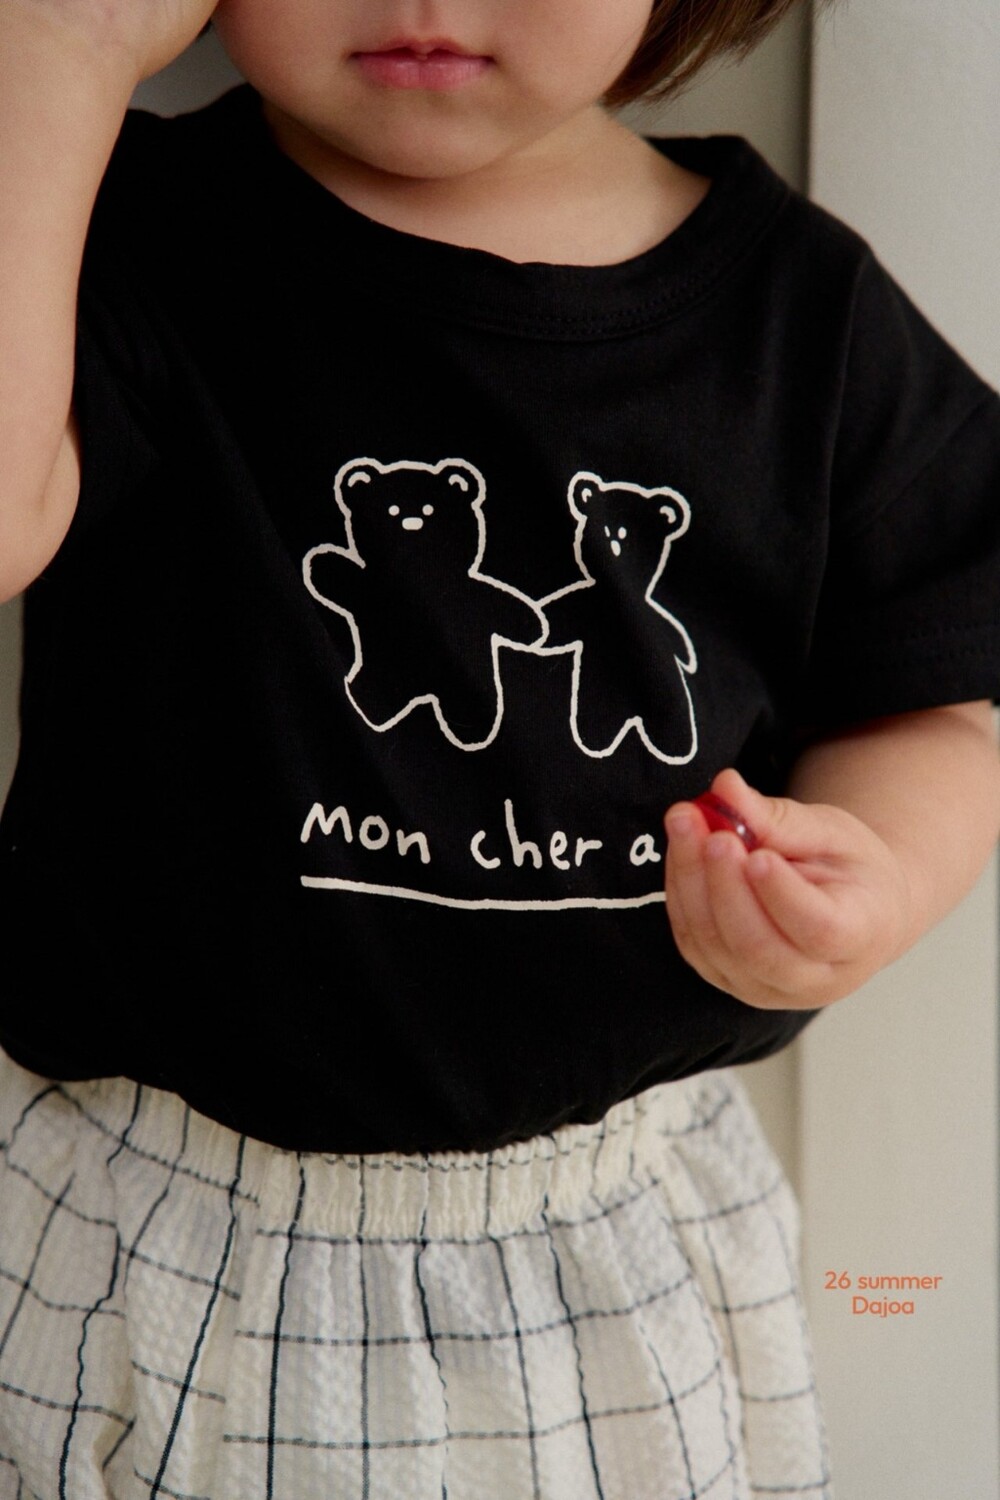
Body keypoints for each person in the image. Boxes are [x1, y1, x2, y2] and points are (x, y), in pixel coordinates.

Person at [0, 1, 997, 1496]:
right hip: (157, 1227)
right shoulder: (113, 220)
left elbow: (931, 685)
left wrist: (880, 876)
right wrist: (53, 49)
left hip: (606, 1250)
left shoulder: (801, 318)